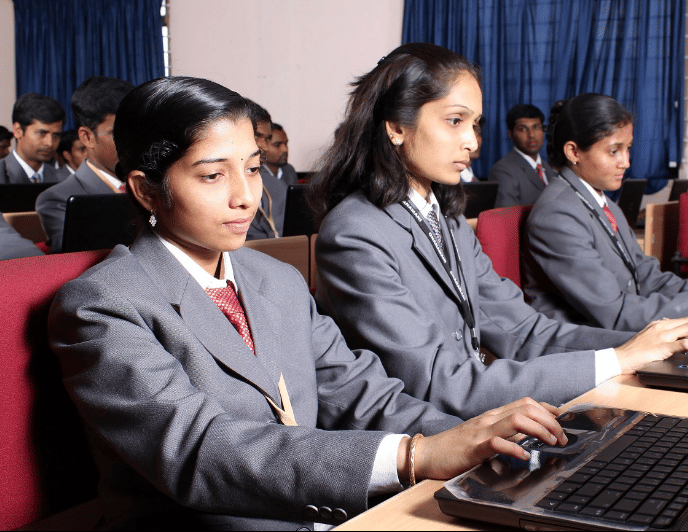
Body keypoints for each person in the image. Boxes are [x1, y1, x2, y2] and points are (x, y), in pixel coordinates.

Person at [48, 76, 569, 530]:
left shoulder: (276, 279)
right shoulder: (103, 304)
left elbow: (362, 394)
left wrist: (476, 438)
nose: (245, 197)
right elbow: (200, 451)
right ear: (145, 190)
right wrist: (417, 455)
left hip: (325, 512)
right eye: (212, 175)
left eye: (252, 169)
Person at [312, 43, 688, 420]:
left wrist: (638, 347)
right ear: (396, 127)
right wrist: (616, 359)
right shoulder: (355, 233)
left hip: (478, 415)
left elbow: (524, 330)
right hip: (427, 436)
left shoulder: (446, 219)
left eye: (475, 124)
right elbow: (438, 382)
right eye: (455, 121)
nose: (472, 142)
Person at [522, 94, 688, 332]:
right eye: (614, 151)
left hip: (627, 327)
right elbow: (615, 313)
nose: (626, 162)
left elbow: (649, 278)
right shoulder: (558, 214)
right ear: (573, 152)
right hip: (594, 343)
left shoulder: (603, 203)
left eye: (628, 149)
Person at [35, 76, 134, 253]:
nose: (132, 142)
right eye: (118, 133)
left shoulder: (152, 185)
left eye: (135, 130)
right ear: (87, 137)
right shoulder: (58, 200)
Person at [489, 103, 557, 206]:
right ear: (511, 134)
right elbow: (507, 218)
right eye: (523, 129)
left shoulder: (546, 167)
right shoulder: (502, 171)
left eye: (536, 127)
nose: (531, 135)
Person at [0, 93, 66, 184]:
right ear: (18, 131)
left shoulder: (64, 180)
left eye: (55, 135)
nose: (50, 143)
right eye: (42, 133)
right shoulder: (2, 175)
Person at [245, 99, 287, 239]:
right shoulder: (216, 186)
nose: (265, 147)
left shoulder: (278, 187)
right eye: (257, 136)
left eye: (268, 139)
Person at [460, 115, 484, 182]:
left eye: (479, 133)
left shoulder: (473, 179)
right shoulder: (446, 183)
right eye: (473, 133)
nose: (478, 140)